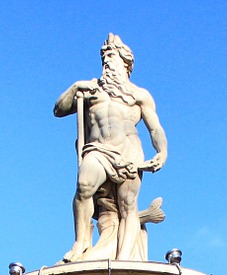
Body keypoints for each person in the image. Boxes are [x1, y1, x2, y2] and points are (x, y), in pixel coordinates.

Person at [55, 34, 167, 263]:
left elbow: (155, 128)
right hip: (97, 148)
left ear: (125, 62)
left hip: (129, 151)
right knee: (84, 186)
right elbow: (59, 110)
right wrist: (75, 86)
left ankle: (124, 260)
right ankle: (81, 241)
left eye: (111, 56)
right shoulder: (89, 90)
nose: (106, 61)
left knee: (128, 206)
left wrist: (162, 152)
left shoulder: (139, 94)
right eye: (104, 57)